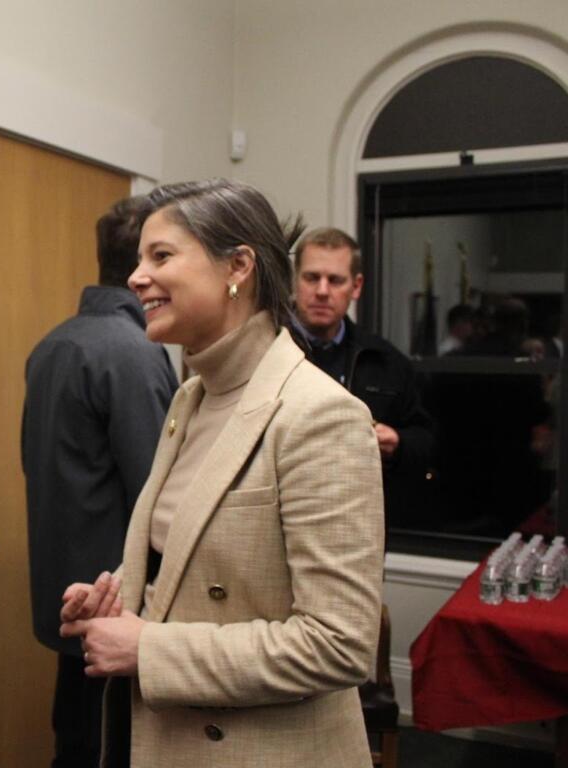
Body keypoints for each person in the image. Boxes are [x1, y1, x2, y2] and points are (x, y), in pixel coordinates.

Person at [60, 180, 384, 768]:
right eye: (139, 259)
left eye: (161, 256)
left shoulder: (320, 414)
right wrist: (121, 595)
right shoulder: (190, 399)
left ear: (238, 266)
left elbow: (339, 645)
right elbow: (193, 555)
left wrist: (149, 649)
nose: (136, 278)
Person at [22, 196, 178, 767]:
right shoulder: (134, 351)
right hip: (118, 606)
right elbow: (160, 497)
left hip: (73, 599)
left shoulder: (54, 342)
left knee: (75, 742)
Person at [290, 226, 435, 529]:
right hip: (281, 517)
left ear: (356, 287)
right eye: (312, 277)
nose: (322, 291)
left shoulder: (386, 361)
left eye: (335, 280)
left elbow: (426, 441)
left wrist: (398, 443)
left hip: (356, 524)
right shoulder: (262, 350)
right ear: (295, 281)